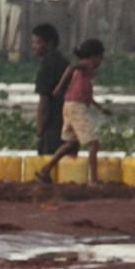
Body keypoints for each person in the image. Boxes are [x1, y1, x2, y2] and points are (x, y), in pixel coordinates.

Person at [59, 38, 110, 180]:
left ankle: (46, 169)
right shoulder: (87, 65)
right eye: (100, 58)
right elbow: (72, 67)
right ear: (94, 57)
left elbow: (87, 96)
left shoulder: (85, 73)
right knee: (93, 143)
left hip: (69, 104)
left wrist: (101, 109)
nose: (100, 62)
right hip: (76, 107)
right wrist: (59, 86)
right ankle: (93, 179)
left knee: (70, 144)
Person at [26, 23, 69, 168]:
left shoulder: (46, 66)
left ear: (49, 44)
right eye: (33, 42)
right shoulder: (64, 62)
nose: (33, 46)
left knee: (48, 167)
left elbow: (44, 103)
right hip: (68, 123)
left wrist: (40, 130)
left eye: (37, 42)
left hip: (52, 126)